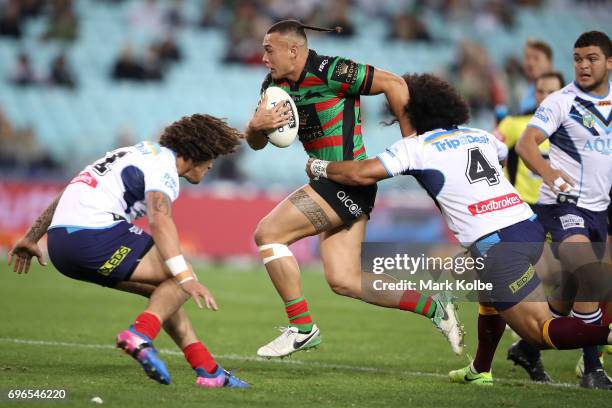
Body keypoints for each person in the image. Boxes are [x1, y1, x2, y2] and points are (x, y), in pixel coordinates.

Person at [304, 72, 612, 387]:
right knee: (488, 292)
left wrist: (320, 166)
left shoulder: (416, 147)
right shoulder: (479, 135)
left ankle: (608, 334)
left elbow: (361, 174)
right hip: (528, 227)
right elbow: (502, 157)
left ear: (412, 113)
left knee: (539, 331)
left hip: (497, 244)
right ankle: (480, 369)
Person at [245, 20, 463, 359]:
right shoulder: (273, 87)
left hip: (348, 180)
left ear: (293, 50)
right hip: (329, 181)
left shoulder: (332, 70)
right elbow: (258, 144)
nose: (263, 57)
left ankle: (302, 329)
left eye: (268, 50)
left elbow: (394, 83)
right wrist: (255, 128)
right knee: (344, 279)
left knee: (269, 235)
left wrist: (411, 145)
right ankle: (435, 309)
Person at [8, 114, 250, 388]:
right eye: (212, 157)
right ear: (200, 153)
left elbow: (72, 190)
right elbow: (160, 219)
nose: (211, 166)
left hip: (62, 247)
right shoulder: (164, 166)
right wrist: (186, 276)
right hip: (92, 235)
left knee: (164, 291)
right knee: (181, 276)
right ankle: (140, 335)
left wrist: (32, 237)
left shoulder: (139, 152)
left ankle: (207, 369)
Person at [510, 30, 612, 389]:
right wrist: (550, 172)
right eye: (578, 58)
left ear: (609, 62)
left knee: (570, 296)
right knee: (591, 276)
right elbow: (526, 144)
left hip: (601, 209)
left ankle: (527, 347)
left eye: (592, 59)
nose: (583, 65)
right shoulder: (560, 101)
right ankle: (593, 370)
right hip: (565, 206)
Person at [519, 39, 554, 114]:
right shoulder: (529, 89)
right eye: (527, 58)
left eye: (536, 58)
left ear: (549, 62)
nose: (530, 63)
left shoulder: (559, 92)